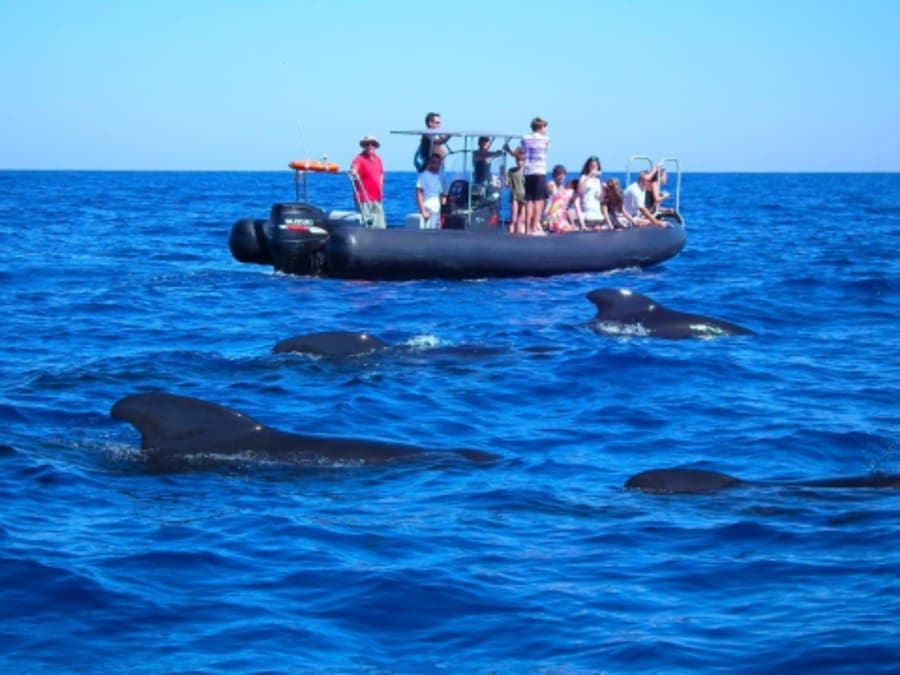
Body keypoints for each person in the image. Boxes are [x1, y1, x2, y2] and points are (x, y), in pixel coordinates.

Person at [349, 135, 386, 228]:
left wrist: (381, 191)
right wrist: (353, 171)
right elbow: (354, 168)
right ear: (364, 146)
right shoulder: (359, 159)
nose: (370, 146)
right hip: (364, 200)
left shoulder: (378, 159)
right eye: (367, 144)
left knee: (381, 226)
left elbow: (381, 175)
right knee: (368, 225)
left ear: (375, 146)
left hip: (377, 199)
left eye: (372, 144)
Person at [416, 153, 446, 229]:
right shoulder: (424, 175)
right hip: (428, 209)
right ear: (430, 163)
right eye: (435, 163)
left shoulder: (438, 177)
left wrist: (444, 200)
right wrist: (423, 211)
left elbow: (440, 194)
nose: (437, 166)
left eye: (439, 164)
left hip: (437, 211)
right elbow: (419, 193)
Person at [544, 165, 577, 233]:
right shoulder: (551, 185)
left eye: (563, 174)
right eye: (559, 174)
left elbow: (565, 207)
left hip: (561, 217)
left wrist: (572, 222)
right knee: (566, 229)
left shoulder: (563, 188)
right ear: (554, 176)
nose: (562, 176)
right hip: (551, 215)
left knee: (572, 229)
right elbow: (542, 200)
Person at [577, 155, 605, 230]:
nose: (593, 168)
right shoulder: (584, 177)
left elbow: (600, 198)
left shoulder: (598, 180)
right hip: (587, 212)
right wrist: (589, 175)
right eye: (592, 166)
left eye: (595, 166)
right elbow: (579, 190)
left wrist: (604, 189)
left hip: (597, 213)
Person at [505, 149, 527, 235]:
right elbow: (507, 183)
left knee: (522, 218)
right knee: (513, 218)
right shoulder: (511, 171)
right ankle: (511, 234)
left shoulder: (527, 171)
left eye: (522, 161)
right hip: (515, 196)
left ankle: (520, 234)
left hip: (524, 196)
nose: (520, 162)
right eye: (518, 160)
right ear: (516, 161)